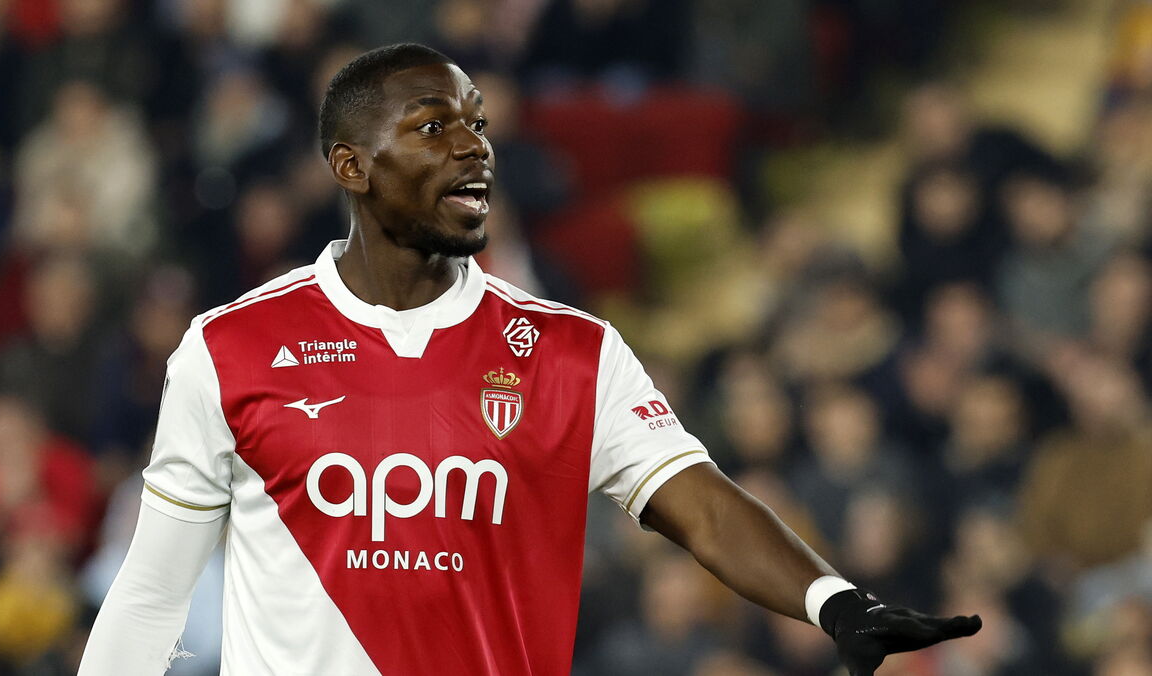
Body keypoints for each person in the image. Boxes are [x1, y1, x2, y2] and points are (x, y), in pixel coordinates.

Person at [77, 44, 980, 675]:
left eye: (477, 124)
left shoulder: (570, 351)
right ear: (352, 166)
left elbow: (701, 506)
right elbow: (152, 593)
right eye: (434, 128)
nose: (474, 145)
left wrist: (835, 603)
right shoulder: (230, 349)